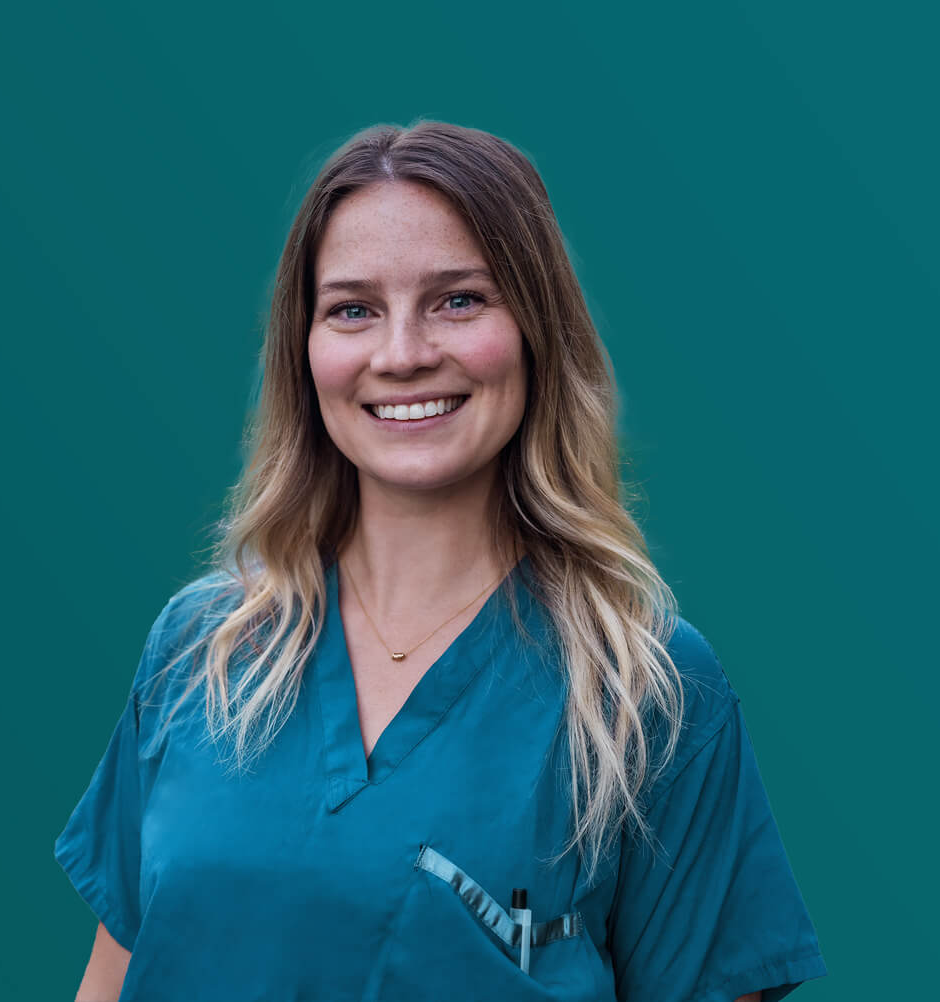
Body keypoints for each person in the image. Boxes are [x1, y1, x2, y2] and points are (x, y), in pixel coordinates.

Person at [52, 120, 827, 1002]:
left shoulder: (646, 690)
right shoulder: (201, 651)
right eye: (353, 309)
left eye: (458, 300)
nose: (402, 355)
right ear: (304, 352)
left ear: (536, 328)